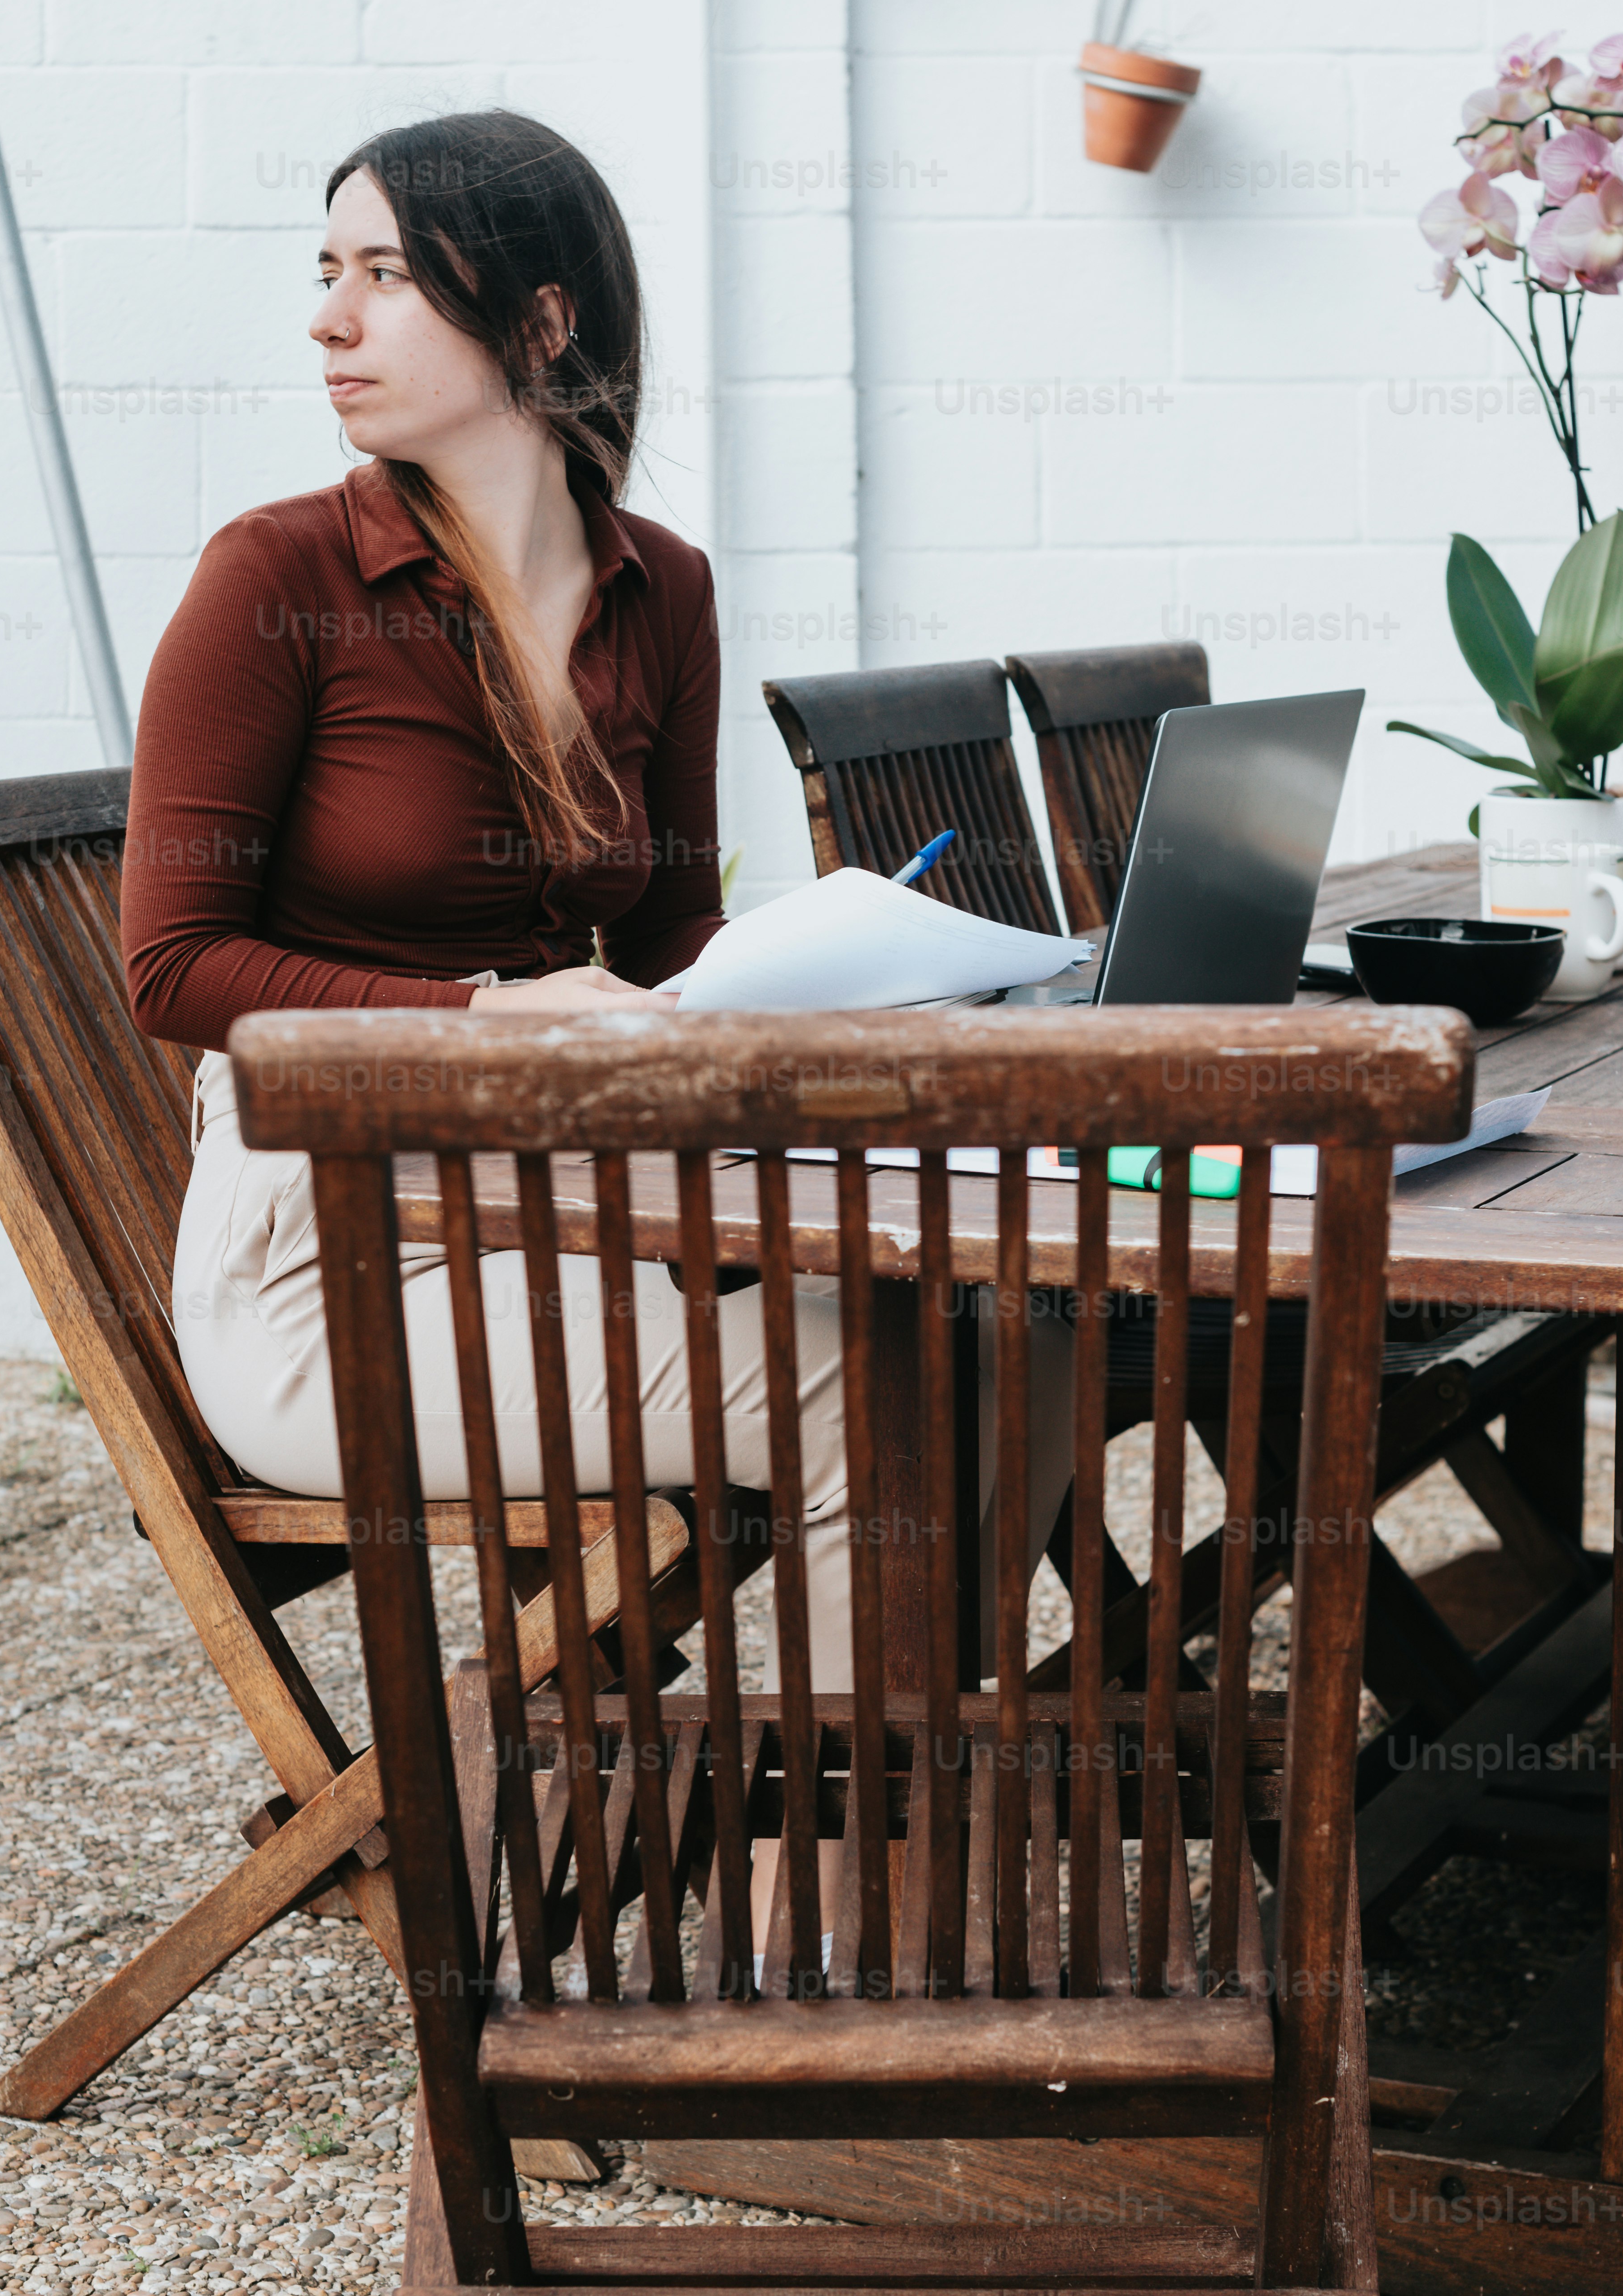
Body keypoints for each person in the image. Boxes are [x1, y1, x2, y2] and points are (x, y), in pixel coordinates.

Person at [123, 108, 1072, 1692]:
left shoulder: (662, 586)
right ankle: (843, 1900)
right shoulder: (277, 578)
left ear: (542, 321)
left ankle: (905, 1804)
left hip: (573, 1209)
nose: (328, 319)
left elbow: (668, 943)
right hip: (334, 1262)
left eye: (385, 278)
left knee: (1026, 1334)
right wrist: (486, 1013)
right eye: (327, 271)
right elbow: (172, 967)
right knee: (868, 1395)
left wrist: (849, 973)